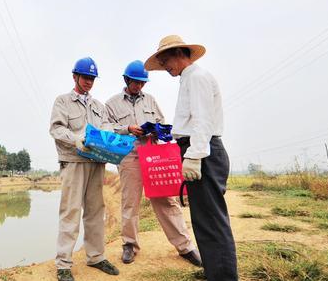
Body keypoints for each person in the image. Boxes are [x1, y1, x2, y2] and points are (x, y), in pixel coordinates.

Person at [144, 35, 238, 281]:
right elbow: (191, 121)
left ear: (179, 54)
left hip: (204, 152)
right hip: (197, 149)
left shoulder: (196, 78)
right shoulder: (188, 80)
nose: (165, 67)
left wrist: (195, 156)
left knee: (212, 221)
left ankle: (223, 276)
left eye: (166, 60)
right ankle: (214, 271)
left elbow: (202, 120)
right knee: (203, 220)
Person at [105, 60, 202, 266]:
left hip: (152, 155)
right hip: (128, 156)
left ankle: (185, 246)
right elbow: (106, 130)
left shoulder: (150, 100)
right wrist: (128, 129)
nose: (139, 86)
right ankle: (130, 245)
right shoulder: (112, 104)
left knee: (165, 200)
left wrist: (157, 130)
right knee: (130, 201)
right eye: (135, 82)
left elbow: (161, 122)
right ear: (126, 79)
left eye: (142, 83)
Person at [49, 57, 120, 281]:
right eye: (85, 77)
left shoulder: (99, 106)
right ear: (75, 77)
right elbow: (56, 129)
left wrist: (109, 137)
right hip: (74, 162)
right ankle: (63, 264)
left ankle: (96, 256)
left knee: (96, 211)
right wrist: (76, 139)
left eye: (92, 78)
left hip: (96, 162)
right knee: (70, 211)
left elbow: (107, 126)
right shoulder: (63, 101)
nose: (89, 82)